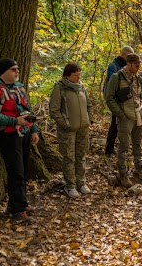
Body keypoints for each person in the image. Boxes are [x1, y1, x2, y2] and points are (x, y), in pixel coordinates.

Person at [0, 58, 39, 223]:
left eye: (17, 69)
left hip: (24, 132)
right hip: (8, 135)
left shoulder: (19, 87)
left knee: (22, 170)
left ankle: (19, 203)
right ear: (3, 72)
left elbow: (28, 108)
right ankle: (17, 210)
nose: (17, 72)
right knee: (16, 171)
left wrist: (33, 129)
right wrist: (15, 121)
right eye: (13, 69)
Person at [105, 53, 142, 187]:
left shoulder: (138, 78)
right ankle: (122, 174)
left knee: (138, 144)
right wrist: (120, 114)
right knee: (123, 147)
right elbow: (109, 98)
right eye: (136, 65)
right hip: (125, 117)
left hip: (139, 115)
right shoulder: (116, 77)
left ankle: (139, 168)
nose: (139, 68)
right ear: (129, 64)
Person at [49, 62, 93, 198]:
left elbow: (89, 105)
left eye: (79, 74)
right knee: (69, 157)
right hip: (67, 130)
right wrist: (65, 124)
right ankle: (70, 186)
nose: (78, 77)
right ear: (67, 76)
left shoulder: (82, 88)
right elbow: (54, 110)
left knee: (81, 156)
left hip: (83, 128)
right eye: (75, 75)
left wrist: (89, 119)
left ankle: (81, 183)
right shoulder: (60, 88)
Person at [103, 46, 142, 156]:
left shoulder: (130, 67)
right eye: (129, 56)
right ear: (123, 56)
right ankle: (109, 150)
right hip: (118, 100)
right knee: (115, 124)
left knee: (123, 127)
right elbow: (115, 85)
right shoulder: (113, 66)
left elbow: (134, 86)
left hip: (129, 101)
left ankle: (117, 149)